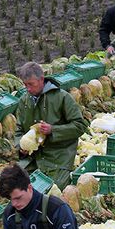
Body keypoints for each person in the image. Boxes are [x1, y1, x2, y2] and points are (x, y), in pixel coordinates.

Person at [14, 61, 87, 189]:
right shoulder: (24, 101)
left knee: (53, 190)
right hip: (32, 159)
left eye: (31, 84)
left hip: (58, 157)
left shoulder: (62, 97)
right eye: (25, 85)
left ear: (41, 79)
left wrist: (53, 130)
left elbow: (80, 125)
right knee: (17, 188)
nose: (28, 89)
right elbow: (18, 130)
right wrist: (21, 146)